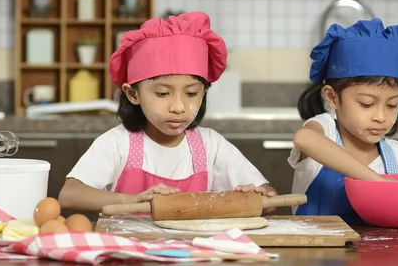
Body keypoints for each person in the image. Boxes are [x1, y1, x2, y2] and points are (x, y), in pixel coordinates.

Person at [58, 11, 277, 213]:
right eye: (163, 94)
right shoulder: (117, 144)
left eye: (191, 94)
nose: (178, 107)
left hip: (194, 252)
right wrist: (131, 201)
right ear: (133, 94)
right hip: (129, 251)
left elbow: (269, 199)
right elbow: (69, 195)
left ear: (204, 93)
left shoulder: (212, 146)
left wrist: (254, 195)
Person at [289, 18, 398, 224]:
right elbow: (305, 138)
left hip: (384, 257)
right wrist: (378, 182)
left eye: (392, 105)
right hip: (316, 252)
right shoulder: (326, 130)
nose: (381, 117)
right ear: (332, 97)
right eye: (366, 104)